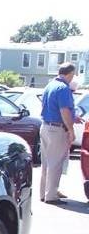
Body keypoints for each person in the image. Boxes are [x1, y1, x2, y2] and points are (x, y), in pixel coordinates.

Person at [38, 62, 77, 204]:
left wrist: (73, 117)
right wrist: (71, 130)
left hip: (45, 126)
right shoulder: (63, 88)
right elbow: (64, 110)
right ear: (70, 74)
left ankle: (44, 193)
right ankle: (51, 195)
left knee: (46, 163)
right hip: (57, 129)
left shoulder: (50, 85)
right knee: (55, 163)